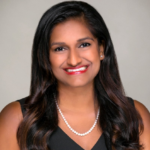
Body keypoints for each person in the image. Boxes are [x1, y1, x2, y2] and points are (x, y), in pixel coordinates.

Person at [0, 1, 150, 150]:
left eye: (84, 44)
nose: (74, 60)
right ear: (45, 56)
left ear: (101, 49)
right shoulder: (17, 119)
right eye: (60, 48)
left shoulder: (135, 115)